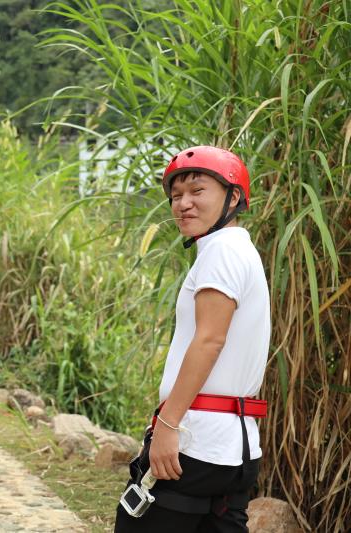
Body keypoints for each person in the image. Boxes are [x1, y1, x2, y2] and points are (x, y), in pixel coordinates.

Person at [115, 146, 270, 532]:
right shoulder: (240, 250)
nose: (183, 204)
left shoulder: (222, 252)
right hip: (234, 449)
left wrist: (168, 425)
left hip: (196, 443)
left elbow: (209, 341)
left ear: (233, 198)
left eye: (197, 191)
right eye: (176, 195)